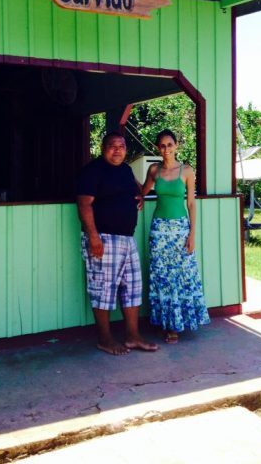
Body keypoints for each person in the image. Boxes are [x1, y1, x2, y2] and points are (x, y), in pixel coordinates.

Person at [77, 132, 158, 356]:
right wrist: (93, 236)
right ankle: (105, 339)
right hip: (103, 237)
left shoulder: (126, 170)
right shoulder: (93, 171)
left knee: (131, 287)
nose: (117, 150)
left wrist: (140, 195)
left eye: (121, 146)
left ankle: (133, 336)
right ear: (102, 148)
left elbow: (136, 188)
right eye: (112, 146)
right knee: (102, 288)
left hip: (126, 239)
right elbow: (84, 204)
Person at [142, 129, 210, 344]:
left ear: (176, 146)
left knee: (182, 275)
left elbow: (191, 203)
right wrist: (136, 196)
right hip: (159, 229)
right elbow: (143, 191)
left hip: (180, 229)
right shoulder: (154, 170)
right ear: (157, 148)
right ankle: (168, 325)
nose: (166, 149)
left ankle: (182, 321)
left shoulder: (187, 171)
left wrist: (192, 234)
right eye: (162, 146)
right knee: (162, 276)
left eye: (170, 145)